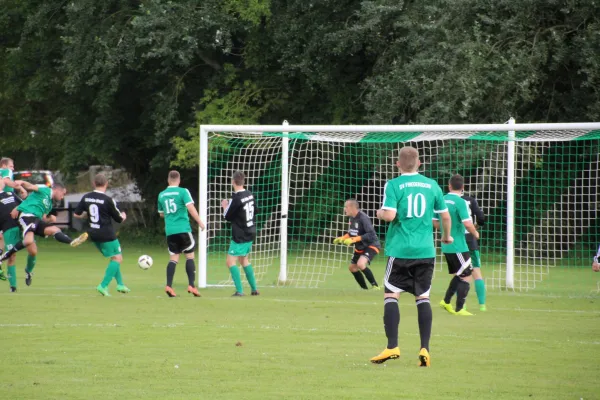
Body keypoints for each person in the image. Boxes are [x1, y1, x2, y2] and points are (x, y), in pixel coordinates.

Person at [370, 146, 452, 368]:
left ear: (397, 164)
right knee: (423, 297)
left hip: (400, 250)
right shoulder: (432, 185)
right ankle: (424, 348)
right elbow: (445, 216)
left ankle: (392, 346)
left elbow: (389, 215)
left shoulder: (394, 184)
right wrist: (446, 237)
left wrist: (379, 213)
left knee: (391, 295)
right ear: (420, 163)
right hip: (425, 251)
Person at [0, 181, 88, 285]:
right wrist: (22, 183)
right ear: (57, 190)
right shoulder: (45, 190)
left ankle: (72, 241)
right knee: (28, 241)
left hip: (36, 220)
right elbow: (31, 186)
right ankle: (3, 257)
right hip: (27, 216)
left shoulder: (49, 204)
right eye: (63, 194)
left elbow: (43, 219)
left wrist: (50, 219)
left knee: (53, 231)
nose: (62, 197)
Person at [74, 174, 130, 296]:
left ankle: (120, 284)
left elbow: (76, 214)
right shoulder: (108, 200)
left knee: (114, 258)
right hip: (107, 234)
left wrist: (85, 215)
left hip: (93, 233)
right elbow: (119, 219)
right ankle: (103, 285)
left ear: (94, 183)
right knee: (118, 259)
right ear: (106, 184)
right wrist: (124, 216)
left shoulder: (86, 197)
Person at [436, 175, 480, 316]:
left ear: (449, 186)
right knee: (467, 275)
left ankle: (446, 301)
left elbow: (435, 222)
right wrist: (475, 233)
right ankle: (460, 308)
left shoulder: (441, 199)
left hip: (446, 244)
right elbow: (468, 223)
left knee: (461, 273)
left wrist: (446, 230)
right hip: (458, 245)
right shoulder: (460, 202)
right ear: (463, 188)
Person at [157, 170, 205, 298]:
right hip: (183, 229)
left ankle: (169, 286)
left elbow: (161, 214)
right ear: (179, 180)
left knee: (173, 259)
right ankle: (191, 286)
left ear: (168, 180)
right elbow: (190, 208)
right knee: (189, 257)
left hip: (170, 231)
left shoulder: (161, 195)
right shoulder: (183, 191)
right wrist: (200, 222)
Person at [221, 170, 258, 297]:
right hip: (251, 231)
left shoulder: (236, 198)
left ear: (233, 181)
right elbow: (255, 210)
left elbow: (227, 216)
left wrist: (225, 205)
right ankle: (254, 289)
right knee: (244, 260)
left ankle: (240, 291)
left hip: (240, 234)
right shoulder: (249, 194)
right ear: (243, 181)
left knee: (230, 261)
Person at [333, 199, 380, 290]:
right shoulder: (352, 218)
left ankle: (375, 286)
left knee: (361, 264)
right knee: (352, 268)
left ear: (351, 207)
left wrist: (355, 239)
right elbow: (352, 232)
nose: (344, 209)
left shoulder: (363, 218)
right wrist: (342, 238)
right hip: (360, 246)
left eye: (346, 207)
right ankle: (364, 289)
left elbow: (371, 234)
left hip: (371, 245)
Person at [0, 157, 26, 281]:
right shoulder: (5, 172)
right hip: (7, 201)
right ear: (4, 165)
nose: (13, 168)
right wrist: (20, 187)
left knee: (1, 238)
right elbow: (6, 181)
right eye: (11, 166)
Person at [462, 191, 487, 311]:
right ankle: (482, 305)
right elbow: (481, 218)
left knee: (460, 274)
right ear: (462, 188)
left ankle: (462, 305)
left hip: (456, 241)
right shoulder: (470, 200)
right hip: (470, 240)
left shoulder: (447, 200)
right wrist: (475, 227)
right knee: (476, 272)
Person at [0, 179, 22, 291]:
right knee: (12, 255)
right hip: (7, 228)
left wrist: (21, 188)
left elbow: (24, 204)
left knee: (32, 248)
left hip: (21, 226)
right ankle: (13, 286)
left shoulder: (10, 193)